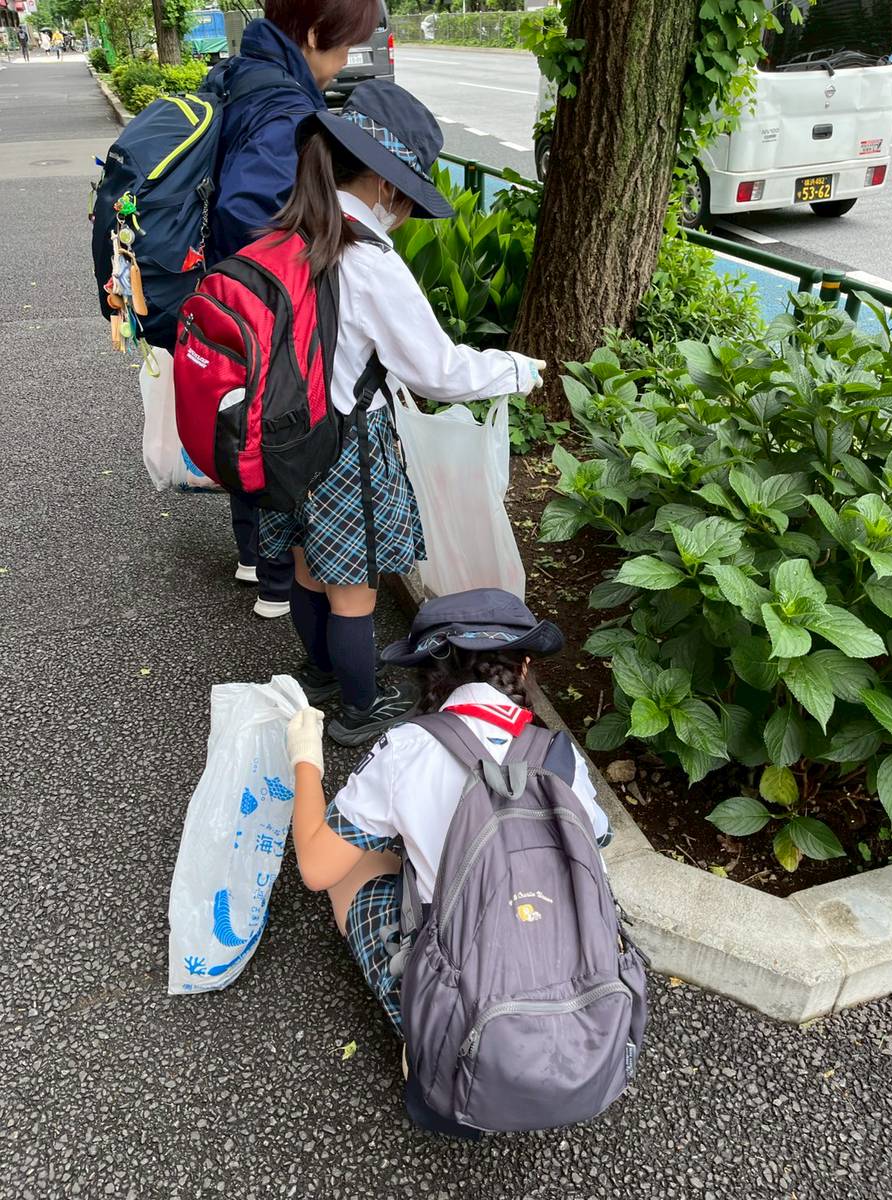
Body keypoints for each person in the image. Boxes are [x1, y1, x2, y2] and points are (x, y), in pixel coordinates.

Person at [261, 80, 546, 746]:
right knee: (352, 592)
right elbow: (436, 370)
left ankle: (320, 675)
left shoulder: (289, 226)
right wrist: (516, 370)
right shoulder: (365, 256)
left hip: (282, 433)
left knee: (305, 568)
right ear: (388, 185)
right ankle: (360, 708)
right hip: (343, 447)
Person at [285, 589, 610, 1046]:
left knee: (359, 864)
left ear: (428, 673)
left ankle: (425, 1046)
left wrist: (306, 761)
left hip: (461, 1018)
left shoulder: (407, 746)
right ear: (524, 667)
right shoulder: (559, 753)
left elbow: (317, 869)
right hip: (581, 1010)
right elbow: (598, 838)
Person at [205, 0, 384, 620]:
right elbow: (247, 208)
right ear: (311, 34)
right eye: (344, 46)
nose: (344, 61)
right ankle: (277, 580)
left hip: (228, 296)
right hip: (264, 304)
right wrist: (302, 263)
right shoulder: (286, 107)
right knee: (274, 422)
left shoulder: (243, 72)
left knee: (241, 412)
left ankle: (252, 555)